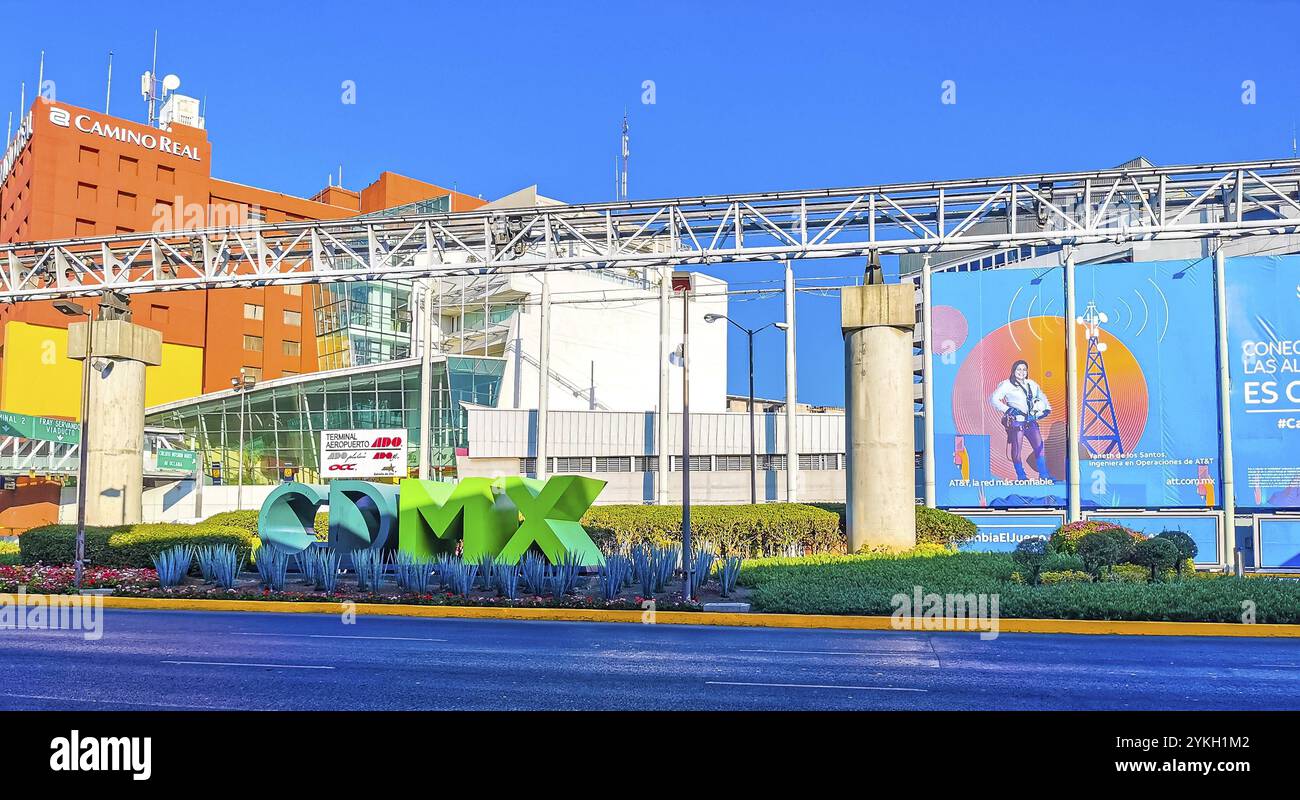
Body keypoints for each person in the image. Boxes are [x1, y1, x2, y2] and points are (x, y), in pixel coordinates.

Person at [989, 359, 1054, 481]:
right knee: (1017, 450)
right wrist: (1008, 410)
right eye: (1019, 369)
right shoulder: (1007, 384)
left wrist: (1046, 409)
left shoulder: (1032, 384)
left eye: (1024, 369)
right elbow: (993, 399)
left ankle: (1044, 475)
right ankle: (1021, 476)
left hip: (1031, 420)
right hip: (1017, 421)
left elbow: (1042, 397)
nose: (1022, 372)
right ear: (1014, 371)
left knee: (1040, 447)